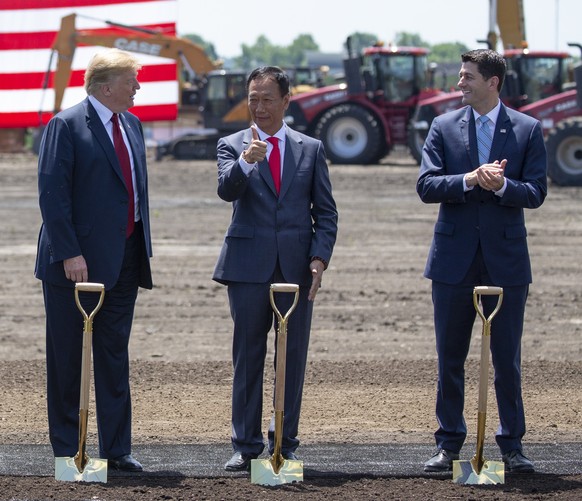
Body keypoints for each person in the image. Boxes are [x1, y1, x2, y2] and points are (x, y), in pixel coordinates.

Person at [417, 49, 547, 474]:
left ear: (493, 82)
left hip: (506, 263)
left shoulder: (528, 129)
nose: (460, 84)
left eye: (467, 77)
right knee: (449, 357)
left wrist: (503, 186)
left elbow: (536, 193)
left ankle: (512, 445)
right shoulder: (442, 126)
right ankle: (448, 444)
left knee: (506, 359)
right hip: (453, 261)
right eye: (460, 76)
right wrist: (471, 179)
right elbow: (427, 185)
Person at [212, 66, 338, 471]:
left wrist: (319, 258)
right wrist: (247, 162)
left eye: (268, 99)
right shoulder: (231, 144)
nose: (259, 107)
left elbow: (326, 212)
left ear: (286, 101)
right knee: (248, 356)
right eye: (253, 99)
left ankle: (286, 441)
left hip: (296, 269)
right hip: (247, 267)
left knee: (292, 356)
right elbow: (225, 190)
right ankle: (245, 445)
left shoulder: (311, 148)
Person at [35, 48, 153, 472]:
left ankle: (117, 451)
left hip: (124, 259)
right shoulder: (65, 126)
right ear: (105, 87)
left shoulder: (134, 125)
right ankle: (70, 452)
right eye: (130, 82)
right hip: (75, 265)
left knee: (113, 356)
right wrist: (69, 252)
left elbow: (131, 193)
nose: (137, 88)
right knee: (67, 359)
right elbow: (52, 194)